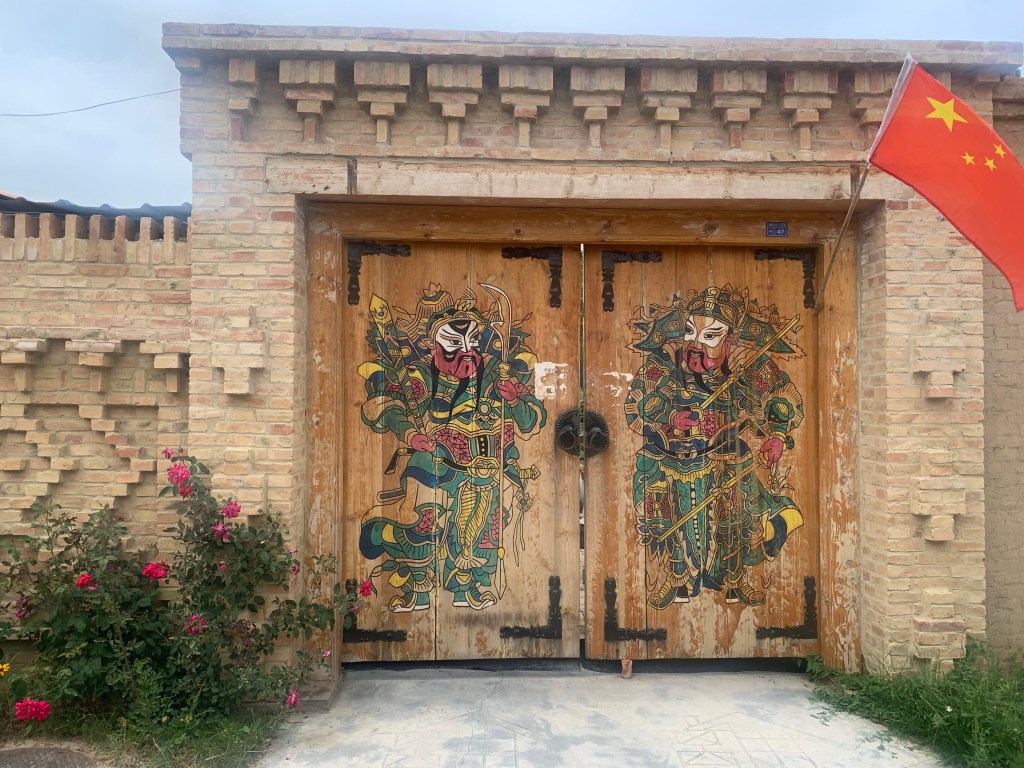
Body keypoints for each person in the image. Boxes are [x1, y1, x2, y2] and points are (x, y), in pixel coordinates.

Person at [358, 285, 545, 611]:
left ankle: (467, 587)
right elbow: (387, 405)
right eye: (454, 344)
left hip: (487, 465)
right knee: (422, 521)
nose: (465, 352)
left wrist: (515, 400)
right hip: (437, 464)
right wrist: (410, 434)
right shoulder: (422, 377)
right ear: (435, 346)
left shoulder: (495, 376)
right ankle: (416, 586)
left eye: (472, 342)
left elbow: (531, 421)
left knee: (485, 527)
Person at [625, 285, 805, 608]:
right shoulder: (663, 364)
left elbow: (780, 396)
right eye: (690, 332)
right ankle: (677, 579)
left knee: (735, 518)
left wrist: (777, 434)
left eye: (709, 336)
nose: (695, 345)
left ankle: (735, 581)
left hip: (724, 457)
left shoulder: (745, 368)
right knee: (667, 516)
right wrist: (670, 416)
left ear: (729, 341)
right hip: (672, 458)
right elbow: (639, 400)